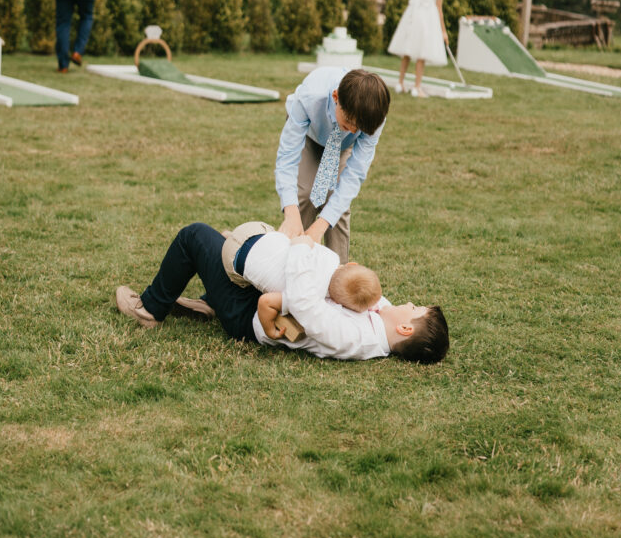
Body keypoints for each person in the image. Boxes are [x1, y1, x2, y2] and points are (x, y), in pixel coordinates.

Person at [115, 221, 449, 365]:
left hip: (248, 317)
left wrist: (304, 247)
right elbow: (357, 289)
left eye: (414, 308)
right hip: (261, 302)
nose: (407, 302)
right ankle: (208, 302)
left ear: (405, 328)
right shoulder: (378, 322)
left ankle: (149, 310)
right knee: (226, 247)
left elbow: (305, 304)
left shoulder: (355, 339)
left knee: (196, 237)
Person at [275, 67, 391, 263]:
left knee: (337, 205)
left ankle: (338, 274)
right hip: (309, 134)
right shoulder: (309, 97)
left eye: (359, 129)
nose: (354, 130)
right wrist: (290, 211)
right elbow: (287, 158)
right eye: (349, 123)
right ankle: (288, 263)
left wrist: (321, 225)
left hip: (340, 146)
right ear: (336, 97)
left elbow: (354, 174)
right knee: (303, 194)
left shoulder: (372, 117)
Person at [220, 219, 382, 338]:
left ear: (351, 264)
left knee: (277, 244)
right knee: (246, 282)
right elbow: (265, 302)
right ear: (336, 302)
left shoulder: (330, 256)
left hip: (256, 231)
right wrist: (270, 330)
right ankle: (227, 241)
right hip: (233, 259)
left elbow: (301, 241)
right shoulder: (306, 293)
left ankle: (230, 236)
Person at [388, 0, 451, 98]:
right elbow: (439, 8)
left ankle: (400, 83)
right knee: (422, 52)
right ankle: (417, 88)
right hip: (427, 19)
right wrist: (443, 31)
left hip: (412, 16)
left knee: (408, 50)